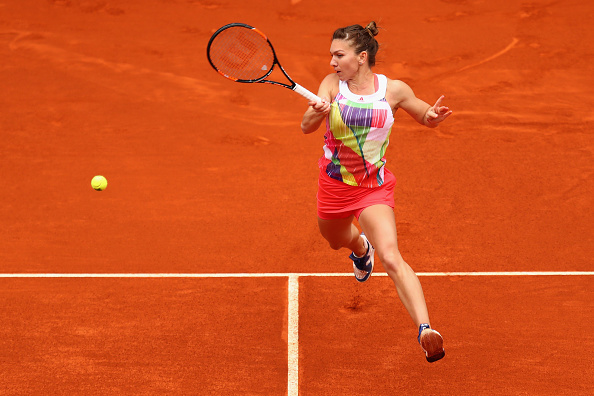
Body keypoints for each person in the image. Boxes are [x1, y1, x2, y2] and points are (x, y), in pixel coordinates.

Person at [300, 21, 452, 363]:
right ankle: (359, 247)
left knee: (392, 256)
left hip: (374, 187)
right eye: (331, 56)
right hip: (334, 185)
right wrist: (316, 109)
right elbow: (305, 127)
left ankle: (426, 329)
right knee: (335, 239)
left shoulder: (393, 90)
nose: (332, 63)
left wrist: (433, 115)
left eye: (339, 55)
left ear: (362, 56)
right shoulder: (330, 86)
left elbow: (424, 115)